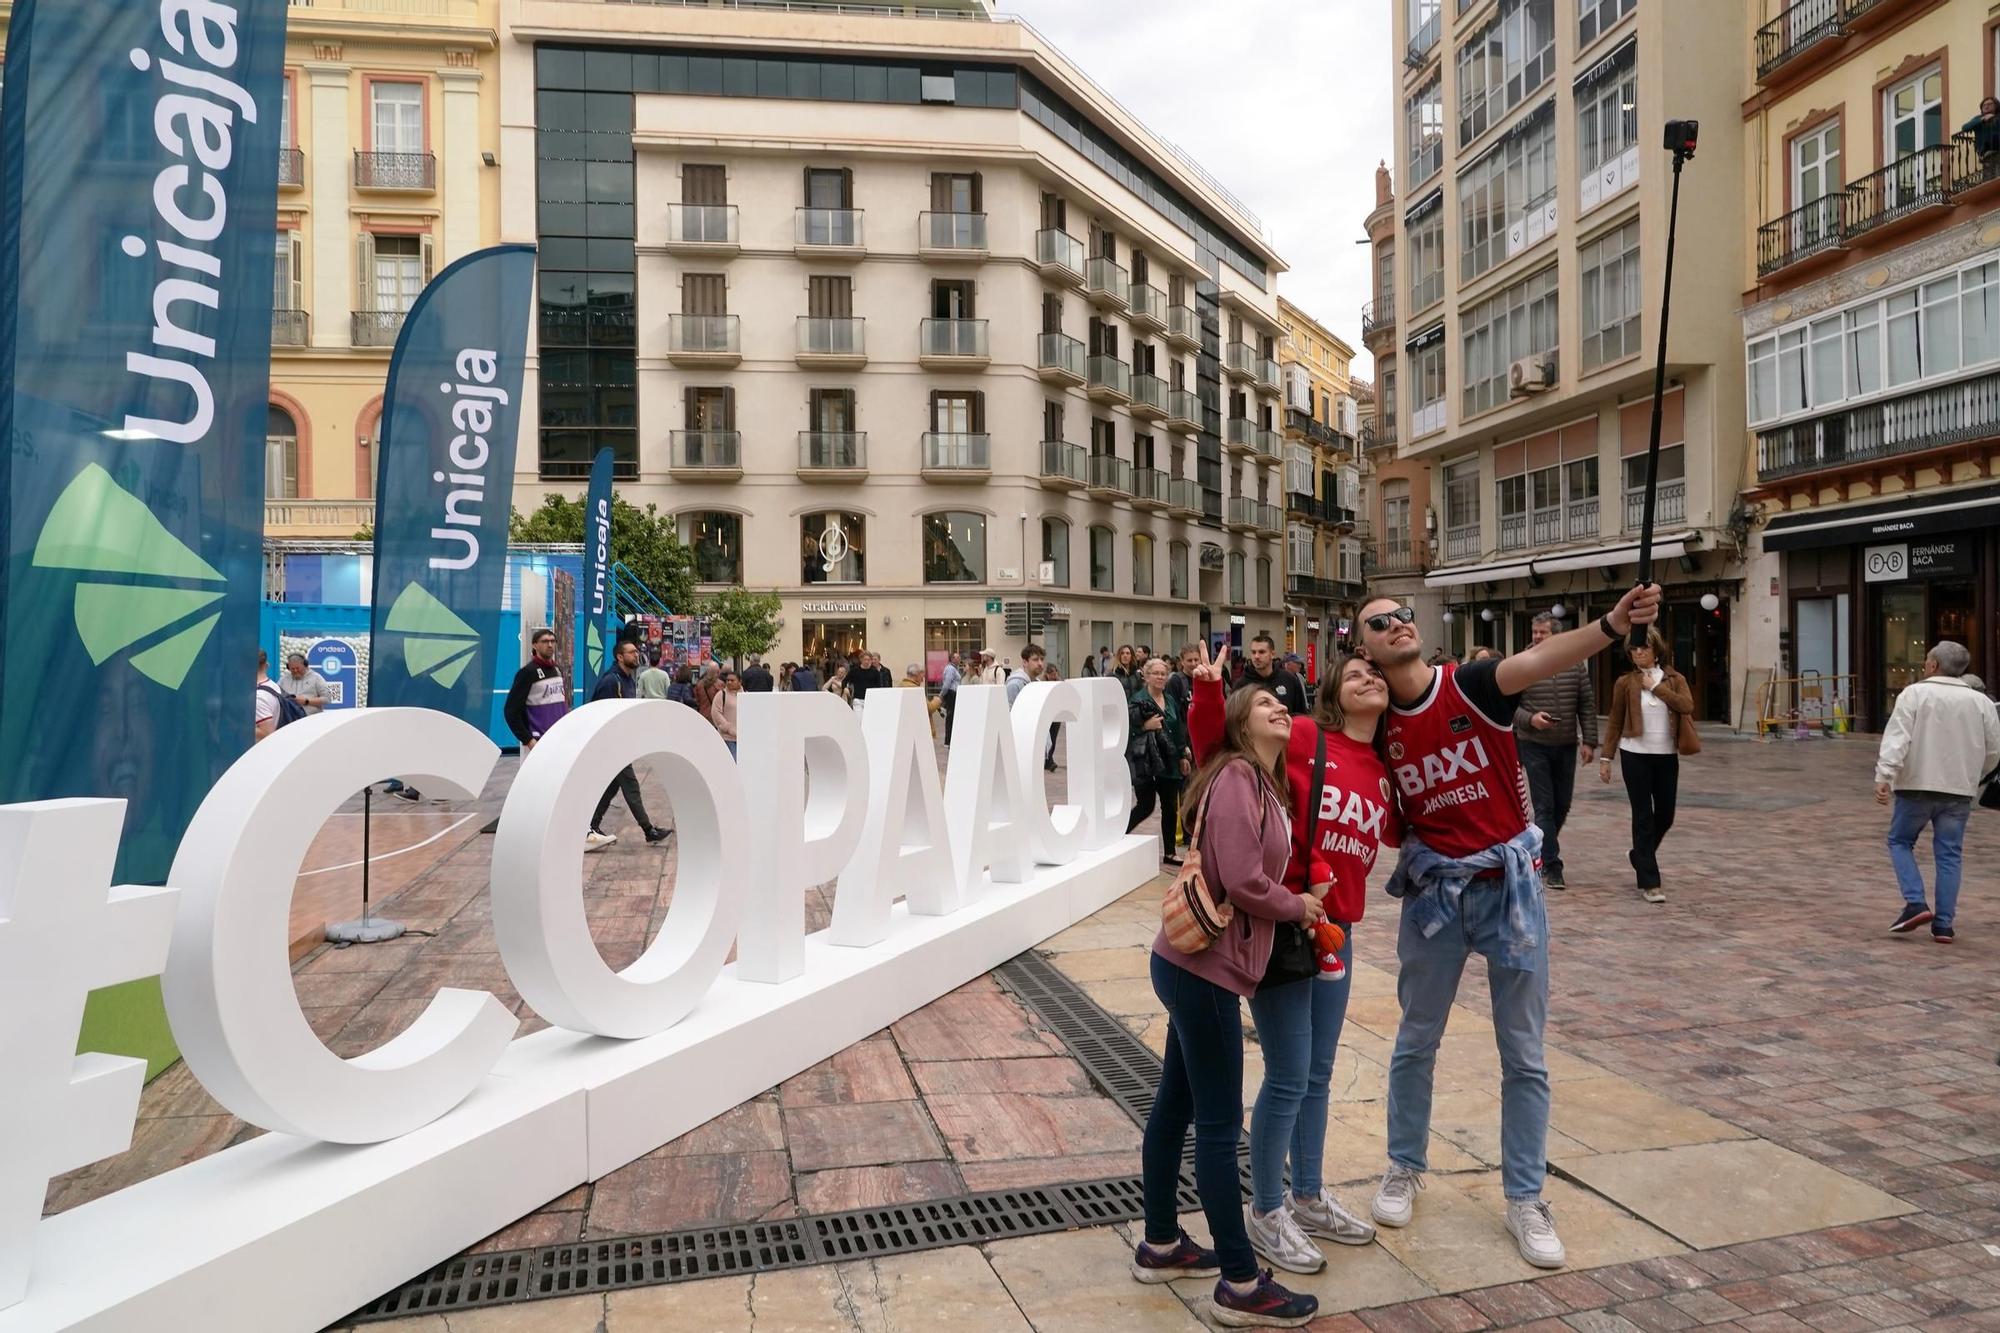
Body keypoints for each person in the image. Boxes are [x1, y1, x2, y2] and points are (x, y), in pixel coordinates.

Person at [1357, 582, 1660, 1270]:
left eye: (1403, 614)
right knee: (1414, 1040)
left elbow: (1544, 658)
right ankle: (1404, 1165)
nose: (1397, 623)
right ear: (1364, 649)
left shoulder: (1469, 684)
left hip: (1510, 891)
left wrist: (1611, 624)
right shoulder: (1376, 723)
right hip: (1434, 895)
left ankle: (1526, 1195)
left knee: (1523, 1052)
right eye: (1379, 622)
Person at [1190, 644, 1392, 1272]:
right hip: (1289, 927)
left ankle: (1307, 1194)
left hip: (1338, 932)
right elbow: (1219, 751)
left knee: (1318, 1074)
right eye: (1355, 673)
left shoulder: (1385, 768)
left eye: (1376, 674)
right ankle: (1268, 1209)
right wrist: (1205, 693)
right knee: (1288, 1073)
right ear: (1334, 692)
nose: (1368, 679)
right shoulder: (1304, 733)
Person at [1133, 685, 1322, 1328]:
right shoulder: (1240, 775)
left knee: (1176, 1106)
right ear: (1241, 723)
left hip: (1188, 963)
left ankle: (1160, 1243)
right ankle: (1242, 1284)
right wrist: (1300, 906)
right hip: (1204, 972)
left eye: (1282, 701)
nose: (1278, 707)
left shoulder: (1265, 784)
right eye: (1262, 702)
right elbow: (1243, 880)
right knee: (1216, 1126)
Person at [1875, 641, 2000, 943]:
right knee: (1949, 854)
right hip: (1958, 790)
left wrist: (1885, 775)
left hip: (1917, 784)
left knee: (1900, 840)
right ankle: (1944, 924)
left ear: (1932, 665)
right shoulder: (1980, 702)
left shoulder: (1915, 694)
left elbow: (1897, 738)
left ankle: (1915, 901)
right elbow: (1993, 750)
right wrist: (1975, 777)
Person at [1598, 628, 1698, 906]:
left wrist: (1655, 687)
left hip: (1666, 755)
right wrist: (1606, 758)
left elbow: (1687, 705)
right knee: (1642, 816)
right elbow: (1615, 721)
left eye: (1644, 647)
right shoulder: (1624, 683)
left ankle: (1640, 856)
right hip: (1635, 755)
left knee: (1666, 814)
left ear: (1656, 649)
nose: (1639, 652)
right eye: (1634, 649)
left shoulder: (1674, 679)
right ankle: (1650, 882)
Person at [1513, 613, 1597, 890]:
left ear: (1556, 635)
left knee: (1563, 804)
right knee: (1545, 805)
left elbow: (1586, 703)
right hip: (1533, 743)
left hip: (1565, 744)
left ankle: (1540, 846)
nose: (1537, 637)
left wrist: (1589, 741)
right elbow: (1510, 707)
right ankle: (1552, 864)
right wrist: (1530, 719)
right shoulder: (1521, 664)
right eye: (1535, 632)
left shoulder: (1573, 664)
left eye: (1542, 633)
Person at [586, 639, 673, 851]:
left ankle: (590, 825)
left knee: (611, 787)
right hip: (611, 744)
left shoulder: (627, 679)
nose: (636, 655)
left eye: (636, 652)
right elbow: (602, 715)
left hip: (620, 743)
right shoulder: (611, 681)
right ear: (619, 656)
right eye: (631, 652)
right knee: (631, 786)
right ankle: (648, 830)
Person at [1126, 657, 1191, 865]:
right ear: (1146, 675)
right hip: (1147, 760)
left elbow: (1178, 728)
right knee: (1145, 805)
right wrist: (1145, 726)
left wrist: (1182, 754)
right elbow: (1128, 729)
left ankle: (1170, 852)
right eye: (1156, 673)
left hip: (1169, 760)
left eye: (1163, 673)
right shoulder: (1138, 699)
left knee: (1170, 806)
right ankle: (1119, 834)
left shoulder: (1170, 699)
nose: (1160, 677)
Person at [504, 629, 570, 749]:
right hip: (540, 741)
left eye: (552, 641)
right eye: (545, 641)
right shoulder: (527, 672)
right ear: (534, 645)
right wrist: (528, 740)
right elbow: (511, 711)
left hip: (560, 738)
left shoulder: (557, 669)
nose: (550, 645)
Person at [1234, 633, 1309, 717]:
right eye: (1253, 652)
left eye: (1261, 652)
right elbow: (1235, 719)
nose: (1256, 656)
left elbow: (1301, 715)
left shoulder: (1289, 679)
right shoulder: (1242, 685)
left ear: (1272, 654)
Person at [713, 668, 742, 758]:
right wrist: (728, 728)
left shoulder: (745, 695)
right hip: (727, 737)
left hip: (742, 738)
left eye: (732, 680)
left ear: (739, 682)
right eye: (727, 680)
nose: (729, 682)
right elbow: (716, 713)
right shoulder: (721, 695)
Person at [253, 651, 281, 742]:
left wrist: (238, 727)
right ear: (267, 665)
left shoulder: (258, 697)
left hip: (259, 750)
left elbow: (267, 732)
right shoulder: (273, 685)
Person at [1167, 642, 1201, 715]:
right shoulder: (1176, 681)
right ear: (1182, 662)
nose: (1193, 664)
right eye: (1189, 660)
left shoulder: (1206, 679)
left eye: (1196, 660)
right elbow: (1171, 711)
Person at [1964, 96, 2000, 161]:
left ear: (1996, 106)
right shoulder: (1978, 118)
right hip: (1985, 148)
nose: (1986, 106)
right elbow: (1964, 127)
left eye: (1989, 104)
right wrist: (1982, 120)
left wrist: (1994, 118)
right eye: (1984, 105)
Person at [939, 651, 963, 747]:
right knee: (950, 717)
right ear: (952, 659)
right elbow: (947, 684)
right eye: (957, 657)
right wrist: (941, 695)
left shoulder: (954, 669)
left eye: (959, 657)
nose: (959, 659)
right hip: (951, 694)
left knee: (952, 717)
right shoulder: (950, 669)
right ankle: (948, 741)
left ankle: (951, 739)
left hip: (953, 694)